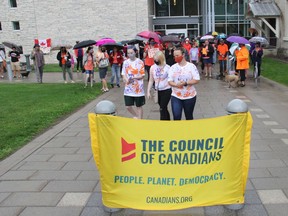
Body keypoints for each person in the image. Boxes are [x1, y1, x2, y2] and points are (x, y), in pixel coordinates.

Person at [168, 47, 200, 120]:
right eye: (174, 56)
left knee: (189, 116)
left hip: (189, 96)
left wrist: (186, 83)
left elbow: (197, 79)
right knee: (176, 116)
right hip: (176, 95)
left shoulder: (191, 66)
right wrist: (176, 84)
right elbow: (169, 81)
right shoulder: (173, 67)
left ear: (183, 55)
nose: (176, 57)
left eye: (177, 55)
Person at [121, 46, 145, 119]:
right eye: (128, 53)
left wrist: (134, 77)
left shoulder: (140, 62)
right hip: (128, 88)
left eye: (131, 53)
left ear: (135, 52)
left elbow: (142, 75)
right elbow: (123, 73)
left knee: (139, 106)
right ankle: (136, 116)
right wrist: (126, 79)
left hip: (138, 88)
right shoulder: (125, 62)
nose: (130, 54)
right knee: (128, 106)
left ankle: (140, 120)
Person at [147, 51, 172, 120]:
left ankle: (163, 122)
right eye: (155, 60)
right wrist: (148, 91)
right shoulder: (152, 68)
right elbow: (151, 80)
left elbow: (171, 79)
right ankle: (167, 120)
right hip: (158, 90)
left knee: (162, 108)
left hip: (166, 90)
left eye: (157, 59)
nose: (156, 61)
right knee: (163, 107)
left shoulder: (167, 68)